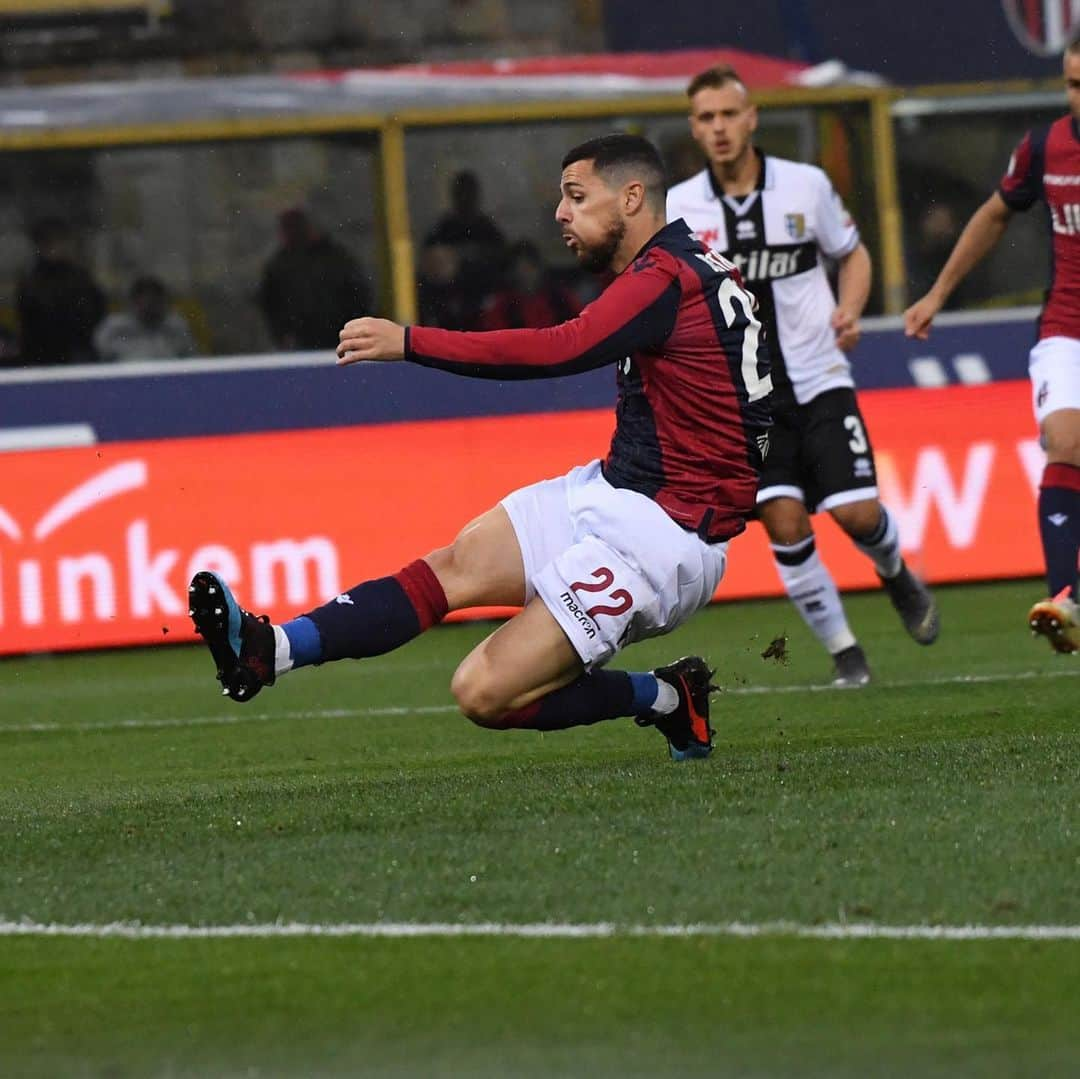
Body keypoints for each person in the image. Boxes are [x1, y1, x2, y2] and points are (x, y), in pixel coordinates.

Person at [187, 133, 772, 762]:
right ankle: (269, 651)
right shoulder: (690, 268)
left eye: (577, 196)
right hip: (617, 488)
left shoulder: (664, 278)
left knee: (482, 691)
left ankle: (664, 699)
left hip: (661, 537)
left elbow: (562, 347)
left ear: (632, 198)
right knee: (454, 564)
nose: (560, 214)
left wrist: (411, 342)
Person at [667, 65, 939, 687]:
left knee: (857, 515)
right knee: (784, 523)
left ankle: (896, 573)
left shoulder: (805, 185)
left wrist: (851, 307)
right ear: (694, 128)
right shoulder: (680, 208)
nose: (719, 129)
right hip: (745, 403)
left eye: (728, 115)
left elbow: (853, 252)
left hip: (818, 376)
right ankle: (847, 654)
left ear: (752, 117)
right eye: (706, 118)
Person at [905, 30, 1080, 654]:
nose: (1077, 97)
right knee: (1064, 441)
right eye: (1071, 84)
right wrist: (938, 294)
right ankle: (1067, 601)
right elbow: (995, 213)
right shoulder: (1045, 148)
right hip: (1066, 326)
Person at [258, 208, 372, 351]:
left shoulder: (336, 259)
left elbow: (358, 296)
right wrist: (283, 334)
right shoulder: (280, 265)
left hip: (339, 340)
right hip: (302, 344)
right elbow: (269, 303)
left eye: (295, 227)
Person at [16, 217, 106, 366]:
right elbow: (30, 324)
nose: (59, 247)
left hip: (80, 354)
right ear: (41, 246)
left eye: (63, 241)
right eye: (51, 243)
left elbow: (98, 310)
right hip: (42, 358)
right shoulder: (30, 283)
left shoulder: (81, 277)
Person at [423, 170, 506, 329]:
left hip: (483, 300)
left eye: (470, 193)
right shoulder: (443, 229)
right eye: (461, 193)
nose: (466, 198)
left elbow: (502, 258)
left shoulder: (487, 229)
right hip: (448, 301)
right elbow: (430, 263)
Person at [478, 239, 582, 330]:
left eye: (529, 268)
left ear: (540, 269)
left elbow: (580, 328)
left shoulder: (561, 298)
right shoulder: (501, 306)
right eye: (520, 269)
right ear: (511, 273)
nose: (525, 275)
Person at [94, 275, 197, 362]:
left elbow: (191, 359)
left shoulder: (176, 326)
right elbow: (100, 359)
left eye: (155, 299)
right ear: (133, 301)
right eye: (144, 299)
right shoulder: (115, 327)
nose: (150, 305)